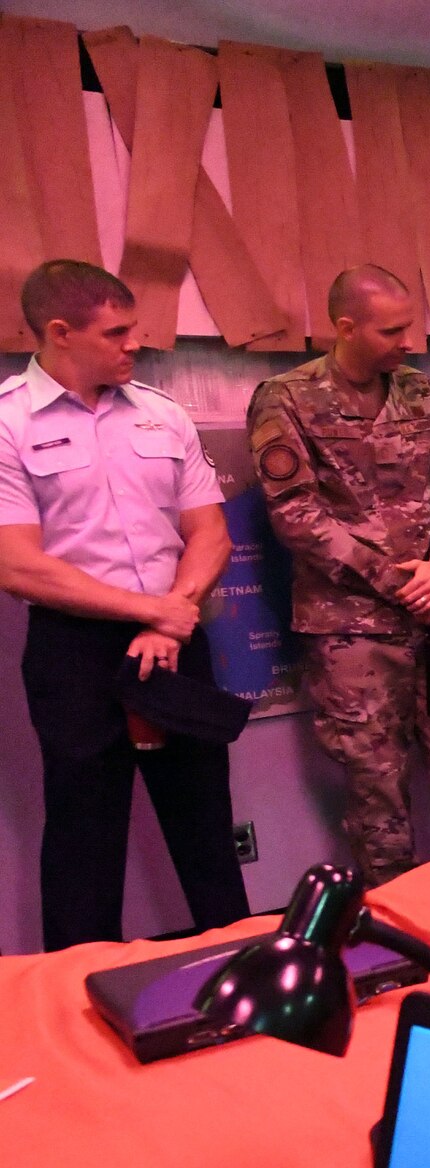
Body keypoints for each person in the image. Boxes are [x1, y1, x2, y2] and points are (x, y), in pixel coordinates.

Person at [0, 260, 250, 949]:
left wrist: (174, 609)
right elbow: (17, 564)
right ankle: (77, 996)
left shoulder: (162, 413)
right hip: (76, 648)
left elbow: (210, 532)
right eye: (115, 333)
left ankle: (237, 971)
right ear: (60, 332)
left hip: (176, 629)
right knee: (84, 832)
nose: (133, 344)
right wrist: (149, 613)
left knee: (204, 818)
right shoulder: (9, 424)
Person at [248, 265, 430, 888]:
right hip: (351, 635)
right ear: (346, 327)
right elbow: (297, 516)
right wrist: (398, 582)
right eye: (392, 330)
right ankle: (397, 926)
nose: (408, 342)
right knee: (377, 791)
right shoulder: (286, 399)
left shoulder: (417, 391)